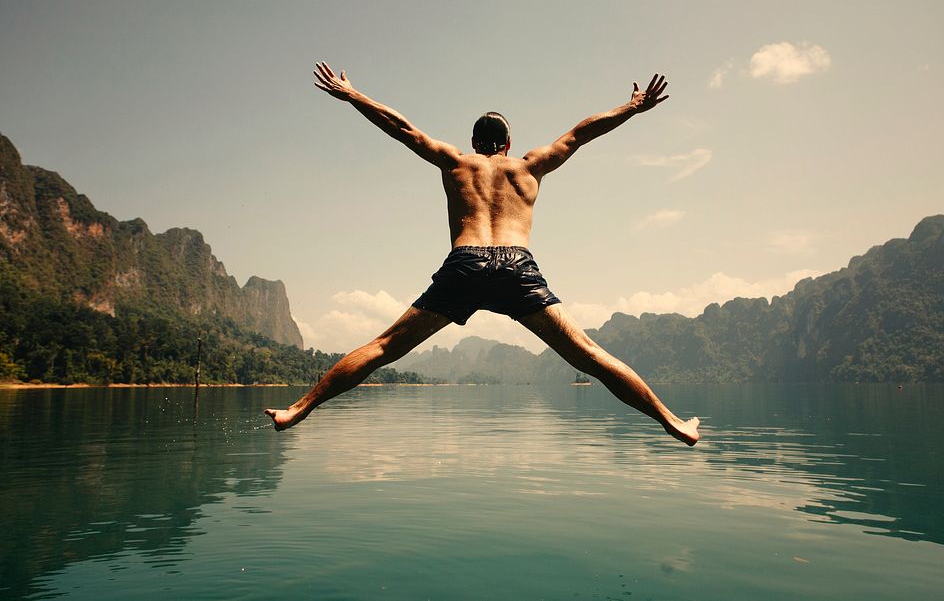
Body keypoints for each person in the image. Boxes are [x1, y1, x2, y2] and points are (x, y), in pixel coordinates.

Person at [264, 62, 700, 446]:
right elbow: (580, 134)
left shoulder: (456, 162)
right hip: (517, 266)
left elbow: (404, 129)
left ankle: (298, 409)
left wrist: (353, 95)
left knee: (382, 348)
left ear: (474, 142)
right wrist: (632, 107)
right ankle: (673, 422)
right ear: (508, 144)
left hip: (465, 264)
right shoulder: (529, 165)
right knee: (589, 354)